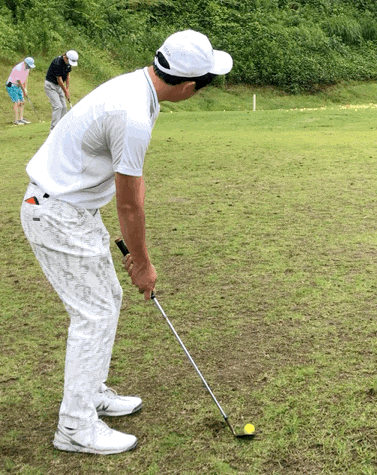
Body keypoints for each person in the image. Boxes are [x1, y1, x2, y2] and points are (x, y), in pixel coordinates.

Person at [20, 30, 232, 455]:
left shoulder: (140, 89)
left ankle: (91, 392)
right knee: (94, 313)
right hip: (56, 211)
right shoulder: (133, 112)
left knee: (106, 300)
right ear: (188, 86)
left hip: (70, 208)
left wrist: (137, 255)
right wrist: (143, 263)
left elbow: (132, 180)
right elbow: (129, 206)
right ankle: (75, 426)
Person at [44, 49, 78, 130]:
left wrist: (67, 87)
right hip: (50, 86)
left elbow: (68, 74)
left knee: (64, 107)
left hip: (59, 86)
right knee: (58, 106)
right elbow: (59, 79)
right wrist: (65, 91)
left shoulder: (68, 64)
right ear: (65, 57)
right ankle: (53, 129)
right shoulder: (57, 63)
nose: (70, 64)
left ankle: (63, 127)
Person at [7, 57, 36, 125]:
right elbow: (19, 81)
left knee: (22, 101)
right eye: (28, 65)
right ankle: (16, 120)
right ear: (25, 63)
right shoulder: (19, 68)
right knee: (17, 102)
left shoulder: (27, 68)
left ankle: (21, 119)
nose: (29, 67)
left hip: (18, 85)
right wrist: (23, 90)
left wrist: (25, 89)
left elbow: (25, 79)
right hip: (12, 85)